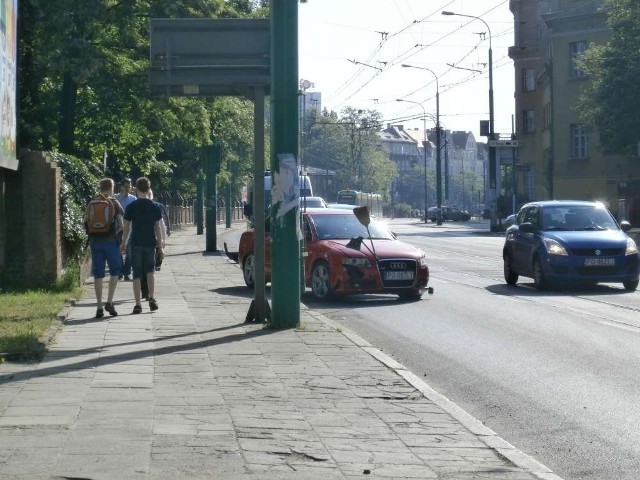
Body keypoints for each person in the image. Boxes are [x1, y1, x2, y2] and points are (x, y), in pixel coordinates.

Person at [120, 177, 164, 314]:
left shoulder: (131, 206)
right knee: (150, 272)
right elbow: (158, 228)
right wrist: (161, 246)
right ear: (149, 188)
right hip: (150, 243)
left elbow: (126, 227)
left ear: (136, 189)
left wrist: (123, 243)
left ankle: (138, 304)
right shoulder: (155, 206)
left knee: (137, 274)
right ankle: (151, 298)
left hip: (135, 242)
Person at [85, 178, 123, 318]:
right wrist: (118, 238)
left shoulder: (91, 202)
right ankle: (109, 301)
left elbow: (86, 221)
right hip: (110, 242)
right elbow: (121, 225)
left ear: (100, 188)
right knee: (115, 271)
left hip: (95, 242)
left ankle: (99, 306)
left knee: (98, 274)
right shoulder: (114, 202)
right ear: (111, 187)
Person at [114, 177, 137, 281]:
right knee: (118, 250)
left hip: (131, 229)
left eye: (129, 187)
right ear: (121, 186)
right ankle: (119, 272)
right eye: (126, 186)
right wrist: (121, 196)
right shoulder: (115, 197)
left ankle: (127, 272)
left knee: (130, 252)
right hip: (119, 228)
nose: (128, 188)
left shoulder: (133, 199)